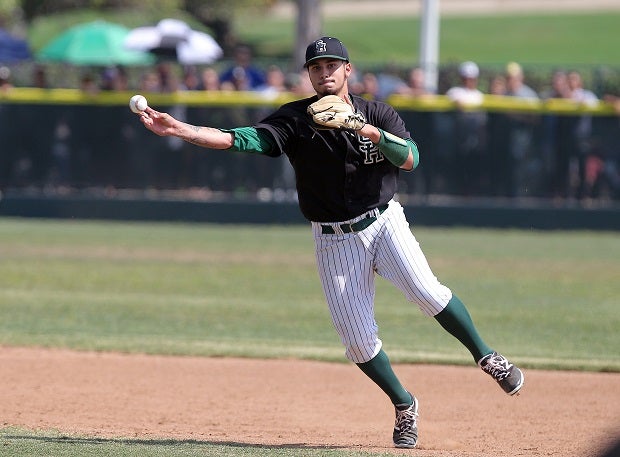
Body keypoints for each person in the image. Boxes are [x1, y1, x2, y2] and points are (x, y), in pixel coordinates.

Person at [135, 36, 524, 449]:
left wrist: (364, 129)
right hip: (333, 238)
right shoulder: (297, 119)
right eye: (316, 67)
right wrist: (182, 129)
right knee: (357, 341)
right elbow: (242, 138)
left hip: (384, 221)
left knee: (427, 291)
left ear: (347, 70)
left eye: (332, 65)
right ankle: (405, 404)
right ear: (309, 74)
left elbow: (411, 159)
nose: (325, 72)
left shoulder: (377, 111)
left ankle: (487, 356)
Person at [445, 61, 488, 195]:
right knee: (458, 168)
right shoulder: (455, 92)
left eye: (471, 78)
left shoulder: (479, 95)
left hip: (475, 138)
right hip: (457, 138)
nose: (468, 81)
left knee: (474, 168)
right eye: (466, 77)